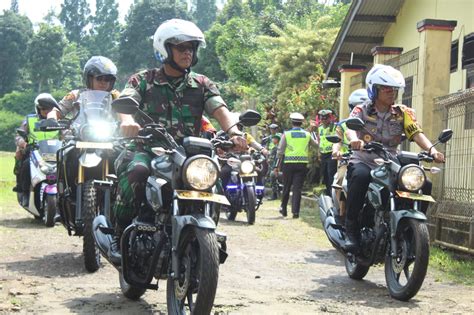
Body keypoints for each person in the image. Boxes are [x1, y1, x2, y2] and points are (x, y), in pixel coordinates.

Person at [111, 19, 247, 263]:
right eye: (181, 47)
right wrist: (126, 121)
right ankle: (120, 234)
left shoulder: (202, 83)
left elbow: (220, 109)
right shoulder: (143, 79)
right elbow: (126, 101)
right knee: (137, 173)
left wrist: (235, 132)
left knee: (212, 185)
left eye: (191, 48)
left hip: (189, 154)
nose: (187, 52)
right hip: (149, 148)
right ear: (164, 49)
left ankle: (204, 239)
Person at [344, 64, 445, 251]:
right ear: (374, 90)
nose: (392, 93)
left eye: (394, 89)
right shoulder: (361, 110)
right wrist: (353, 140)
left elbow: (416, 133)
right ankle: (351, 230)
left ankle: (410, 230)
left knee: (425, 183)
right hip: (365, 158)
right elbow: (350, 128)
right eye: (387, 88)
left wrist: (432, 150)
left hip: (390, 161)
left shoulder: (403, 113)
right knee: (360, 177)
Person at [13, 93, 59, 205]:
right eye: (43, 108)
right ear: (38, 108)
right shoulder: (29, 119)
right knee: (25, 165)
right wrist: (22, 143)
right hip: (34, 151)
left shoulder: (57, 120)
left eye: (48, 108)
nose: (46, 111)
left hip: (55, 152)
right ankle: (24, 192)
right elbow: (19, 135)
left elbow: (67, 133)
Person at [331, 89, 368, 222]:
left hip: (372, 160)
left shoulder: (373, 123)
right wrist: (337, 152)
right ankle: (342, 213)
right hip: (348, 160)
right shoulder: (343, 125)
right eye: (357, 107)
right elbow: (337, 141)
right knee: (341, 179)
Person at [47, 56, 119, 121]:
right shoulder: (75, 95)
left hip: (109, 134)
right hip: (78, 133)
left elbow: (126, 113)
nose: (103, 82)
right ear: (89, 78)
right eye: (99, 78)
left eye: (107, 79)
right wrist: (51, 118)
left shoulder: (115, 96)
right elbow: (58, 110)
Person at [276, 112, 317, 218]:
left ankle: (284, 208)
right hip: (302, 165)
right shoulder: (307, 135)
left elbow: (280, 151)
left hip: (289, 164)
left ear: (292, 122)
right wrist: (313, 132)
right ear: (302, 123)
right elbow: (316, 145)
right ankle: (296, 212)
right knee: (297, 188)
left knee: (286, 187)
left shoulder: (287, 134)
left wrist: (277, 165)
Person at [316, 109, 338, 196]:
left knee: (331, 174)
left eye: (326, 118)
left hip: (331, 153)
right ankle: (328, 193)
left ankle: (333, 195)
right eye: (322, 118)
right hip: (323, 154)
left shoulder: (334, 126)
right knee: (324, 175)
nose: (324, 120)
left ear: (330, 118)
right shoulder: (320, 127)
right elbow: (319, 140)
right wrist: (318, 153)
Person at [267, 133, 281, 200]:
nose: (273, 139)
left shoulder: (276, 148)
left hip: (278, 169)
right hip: (279, 168)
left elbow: (272, 160)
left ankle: (274, 194)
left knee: (272, 175)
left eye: (275, 138)